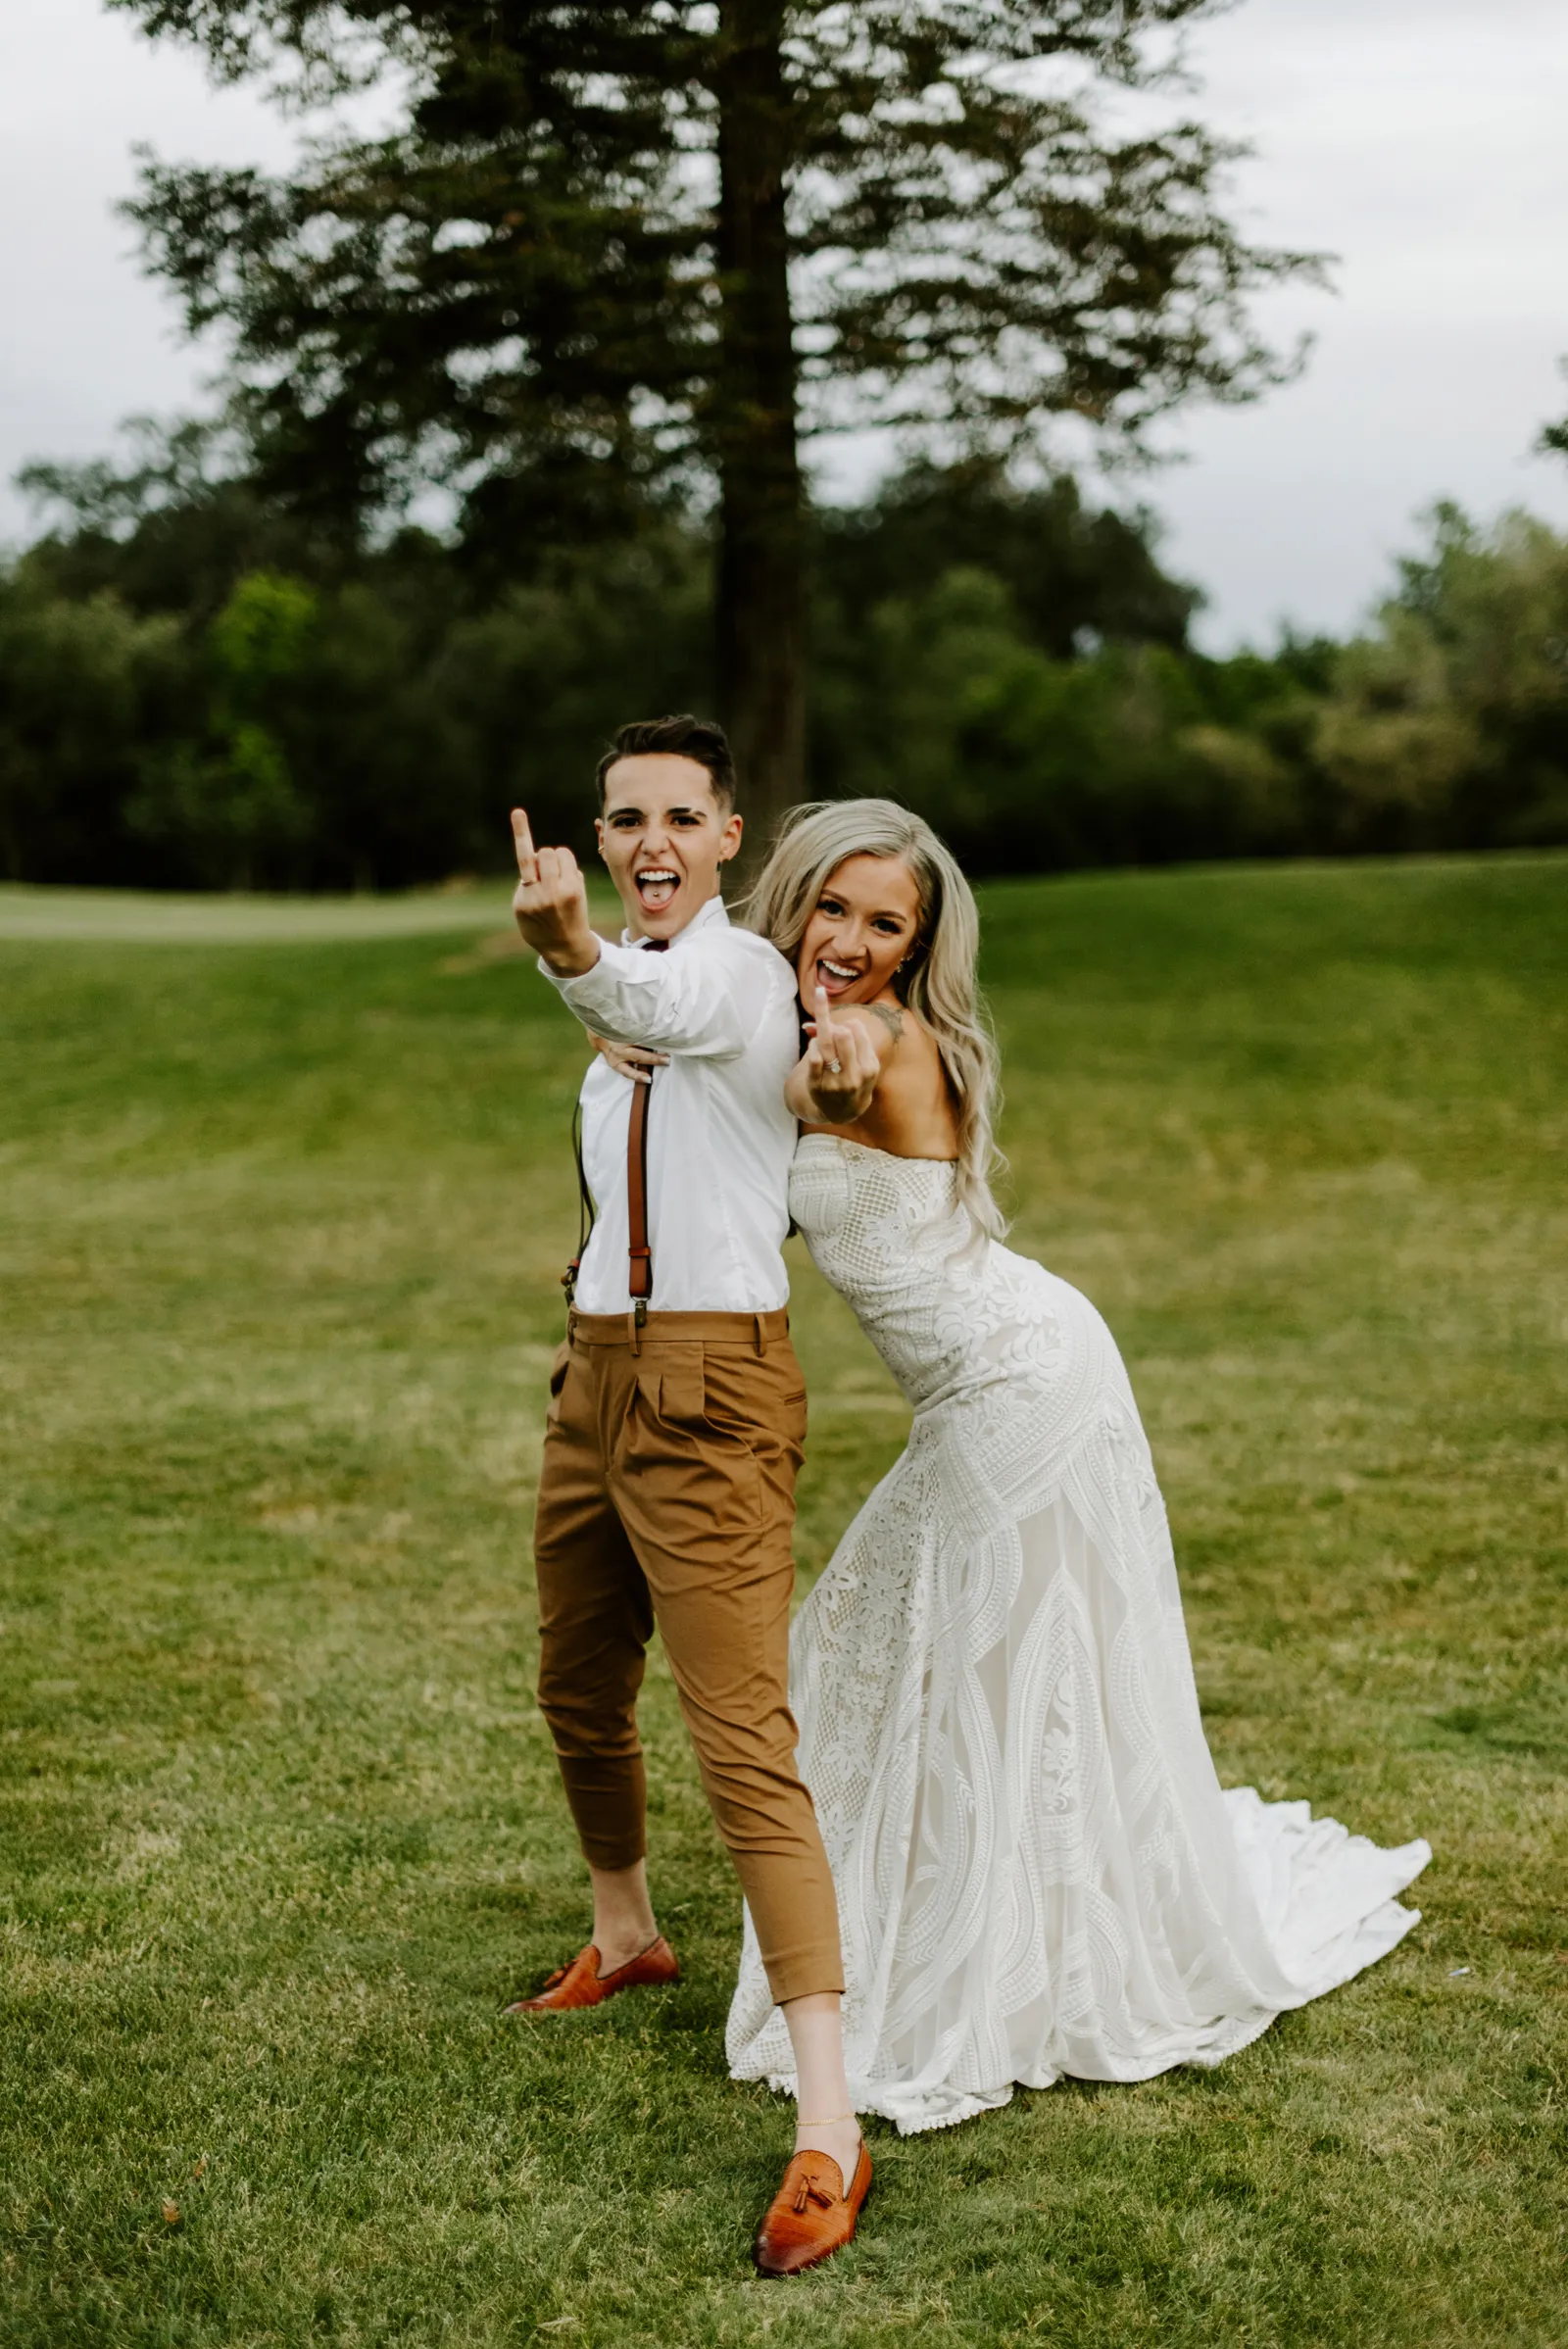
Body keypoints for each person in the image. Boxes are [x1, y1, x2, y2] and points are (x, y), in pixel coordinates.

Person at [708, 797, 1429, 2133]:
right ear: (797, 900)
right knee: (914, 1646)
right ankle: (960, 1923)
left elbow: (825, 1087)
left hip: (1021, 1381)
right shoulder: (815, 1023)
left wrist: (796, 1057)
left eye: (886, 926)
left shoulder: (871, 1041)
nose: (851, 942)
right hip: (1008, 1372)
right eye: (834, 909)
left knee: (955, 1652)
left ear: (918, 948)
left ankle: (995, 1966)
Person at [506, 717, 871, 2276]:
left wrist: (568, 951)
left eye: (677, 816)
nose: (647, 839)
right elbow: (630, 1055)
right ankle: (627, 1933)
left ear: (729, 836)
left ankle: (831, 2124)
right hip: (595, 1373)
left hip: (711, 1391)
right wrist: (594, 996)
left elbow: (656, 995)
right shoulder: (635, 1018)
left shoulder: (735, 977)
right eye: (622, 819)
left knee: (741, 1743)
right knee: (576, 1681)